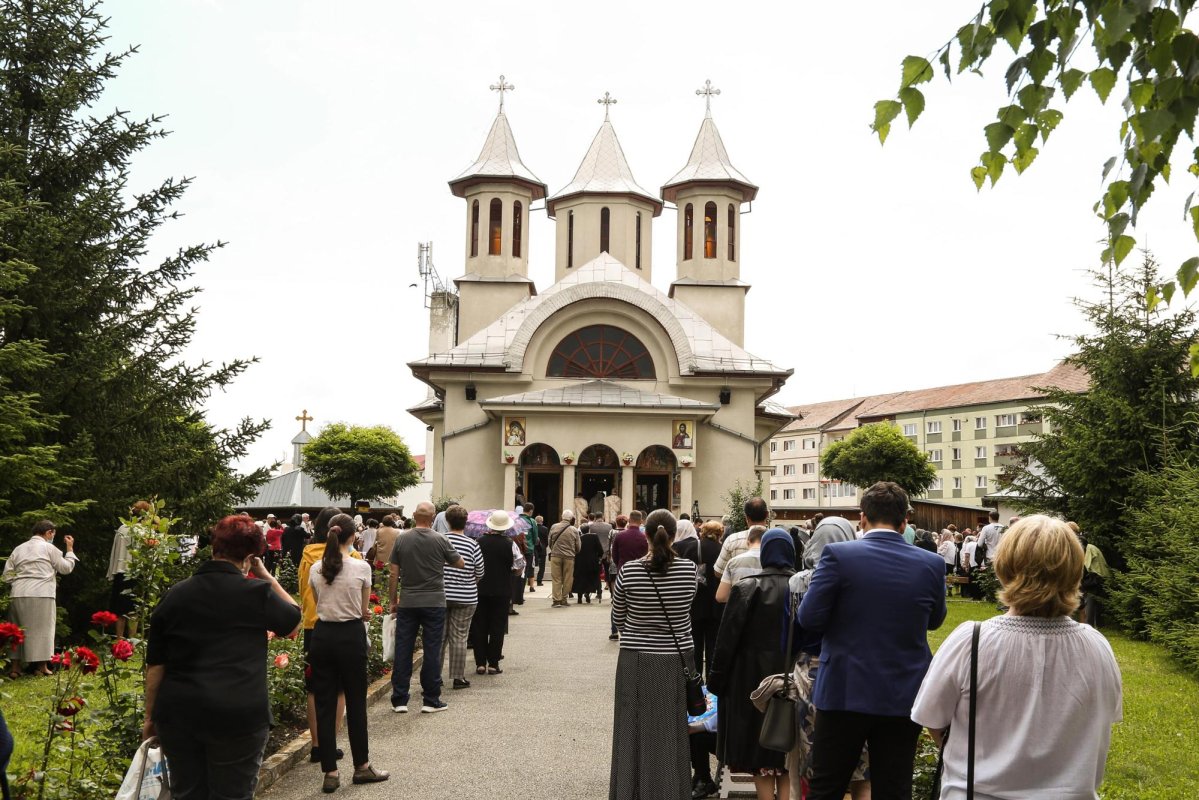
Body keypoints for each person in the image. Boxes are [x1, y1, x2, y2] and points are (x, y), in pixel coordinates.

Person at [911, 515, 1123, 799]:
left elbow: (931, 718)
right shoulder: (1097, 647)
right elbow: (1101, 721)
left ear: (1004, 567)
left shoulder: (971, 641)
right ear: (1074, 570)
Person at [797, 482, 947, 800]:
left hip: (844, 688)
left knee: (827, 785)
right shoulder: (931, 564)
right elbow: (934, 620)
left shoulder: (837, 556)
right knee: (894, 787)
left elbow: (809, 618)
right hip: (902, 692)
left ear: (862, 518)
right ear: (904, 520)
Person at [143, 515, 301, 800]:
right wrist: (265, 575)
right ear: (250, 557)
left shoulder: (176, 595)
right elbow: (293, 621)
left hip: (180, 713)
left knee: (187, 794)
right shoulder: (256, 593)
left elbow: (156, 663)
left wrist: (149, 718)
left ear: (214, 548)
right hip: (238, 714)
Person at [610, 509, 698, 800]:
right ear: (674, 536)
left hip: (635, 656)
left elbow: (619, 616)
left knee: (631, 725)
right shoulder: (688, 570)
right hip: (676, 656)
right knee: (670, 726)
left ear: (646, 535)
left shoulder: (631, 571)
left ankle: (630, 790)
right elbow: (686, 611)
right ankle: (671, 790)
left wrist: (638, 629)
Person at [709, 530, 804, 800]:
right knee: (788, 747)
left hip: (750, 682)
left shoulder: (746, 587)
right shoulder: (804, 588)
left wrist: (717, 681)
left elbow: (726, 640)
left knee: (757, 746)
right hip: (793, 677)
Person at [308, 516, 389, 792]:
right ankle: (362, 766)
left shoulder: (316, 568)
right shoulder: (361, 567)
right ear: (353, 537)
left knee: (324, 703)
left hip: (322, 636)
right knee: (355, 702)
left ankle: (330, 772)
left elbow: (319, 602)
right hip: (350, 635)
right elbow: (364, 609)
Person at [388, 501, 464, 713]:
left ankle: (400, 699)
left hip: (408, 601)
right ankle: (431, 699)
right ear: (433, 518)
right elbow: (460, 563)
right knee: (432, 649)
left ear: (413, 515)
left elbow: (394, 574)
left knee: (403, 648)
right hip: (434, 602)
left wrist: (393, 601)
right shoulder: (440, 539)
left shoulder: (402, 539)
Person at [299, 507, 358, 763]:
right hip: (343, 626)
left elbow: (303, 589)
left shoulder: (308, 556)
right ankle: (330, 745)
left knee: (314, 689)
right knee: (339, 691)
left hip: (314, 627)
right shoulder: (353, 556)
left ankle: (316, 745)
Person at [3, 520, 77, 677]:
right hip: (42, 593)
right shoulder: (49, 548)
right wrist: (69, 549)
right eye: (53, 534)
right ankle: (41, 667)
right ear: (49, 533)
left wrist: (20, 580)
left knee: (16, 631)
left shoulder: (19, 549)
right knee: (43, 630)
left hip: (18, 593)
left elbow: (7, 576)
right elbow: (65, 568)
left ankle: (15, 668)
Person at [441, 505, 484, 690]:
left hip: (440, 595)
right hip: (466, 596)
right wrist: (468, 581)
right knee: (459, 637)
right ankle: (458, 677)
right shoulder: (473, 544)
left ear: (447, 521)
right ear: (465, 522)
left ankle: (435, 676)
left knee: (439, 637)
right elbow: (480, 571)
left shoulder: (439, 541)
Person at [471, 509, 517, 674]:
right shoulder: (510, 544)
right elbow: (518, 566)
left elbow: (473, 564)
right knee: (497, 627)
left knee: (479, 626)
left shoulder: (478, 541)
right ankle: (493, 663)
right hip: (502, 589)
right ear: (505, 527)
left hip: (480, 589)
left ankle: (480, 663)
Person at [685, 520, 723, 684]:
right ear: (719, 533)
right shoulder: (722, 549)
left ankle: (696, 679)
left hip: (696, 602)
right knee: (713, 643)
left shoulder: (693, 547)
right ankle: (712, 679)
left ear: (702, 531)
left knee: (696, 643)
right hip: (716, 603)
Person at [108, 500, 151, 638]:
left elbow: (115, 552)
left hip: (121, 571)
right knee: (134, 609)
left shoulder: (122, 528)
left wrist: (112, 570)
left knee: (120, 609)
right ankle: (132, 640)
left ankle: (119, 639)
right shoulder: (143, 531)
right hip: (136, 572)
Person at [609, 511, 648, 640]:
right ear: (641, 521)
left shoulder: (620, 536)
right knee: (638, 601)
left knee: (618, 601)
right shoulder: (644, 537)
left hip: (623, 570)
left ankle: (615, 630)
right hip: (641, 573)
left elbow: (614, 555)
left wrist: (620, 564)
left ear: (629, 520)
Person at [714, 497, 770, 578]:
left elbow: (718, 572)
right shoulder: (778, 541)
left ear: (746, 517)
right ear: (767, 515)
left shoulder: (732, 540)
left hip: (738, 589)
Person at [1070, 521, 1112, 628]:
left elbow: (1084, 564)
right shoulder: (1087, 544)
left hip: (1094, 577)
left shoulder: (1081, 544)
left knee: (1088, 601)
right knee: (1095, 603)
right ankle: (1098, 625)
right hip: (1099, 576)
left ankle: (1088, 626)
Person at [715, 525, 766, 603]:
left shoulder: (733, 562)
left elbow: (721, 597)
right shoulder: (772, 562)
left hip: (739, 611)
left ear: (748, 541)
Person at [548, 510, 581, 607]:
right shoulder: (574, 530)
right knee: (568, 578)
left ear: (562, 517)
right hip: (569, 557)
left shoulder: (554, 526)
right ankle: (564, 599)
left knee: (556, 578)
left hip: (555, 555)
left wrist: (553, 549)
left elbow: (549, 541)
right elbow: (578, 546)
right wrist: (574, 552)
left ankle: (556, 600)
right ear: (571, 519)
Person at [574, 518, 605, 604]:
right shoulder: (594, 537)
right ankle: (587, 593)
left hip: (580, 562)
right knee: (590, 578)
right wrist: (598, 557)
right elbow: (600, 550)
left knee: (580, 579)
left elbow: (576, 549)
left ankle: (579, 597)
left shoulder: (579, 538)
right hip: (592, 562)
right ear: (589, 530)